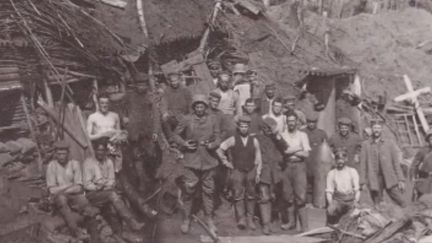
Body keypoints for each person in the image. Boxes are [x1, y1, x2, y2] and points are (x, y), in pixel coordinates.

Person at [172, 94, 221, 235]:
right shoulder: (187, 119)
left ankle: (209, 218)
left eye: (202, 106)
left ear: (206, 107)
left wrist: (212, 145)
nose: (199, 109)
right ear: (194, 107)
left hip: (208, 160)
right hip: (191, 161)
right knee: (188, 191)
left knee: (209, 191)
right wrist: (184, 143)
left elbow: (218, 137)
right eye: (197, 106)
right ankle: (186, 218)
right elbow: (175, 135)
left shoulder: (213, 119)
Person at [83, 139, 145, 233]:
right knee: (112, 195)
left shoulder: (109, 162)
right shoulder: (88, 163)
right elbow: (87, 184)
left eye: (102, 150)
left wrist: (103, 185)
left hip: (106, 192)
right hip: (92, 195)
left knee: (114, 205)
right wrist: (96, 187)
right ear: (95, 150)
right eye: (98, 150)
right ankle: (132, 222)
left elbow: (112, 181)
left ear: (106, 151)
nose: (100, 153)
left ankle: (120, 233)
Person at [217, 116, 262, 231]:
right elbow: (220, 149)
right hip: (238, 171)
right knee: (238, 195)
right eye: (241, 126)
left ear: (249, 127)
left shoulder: (254, 140)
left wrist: (258, 172)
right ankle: (241, 219)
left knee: (251, 195)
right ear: (238, 127)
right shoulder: (233, 139)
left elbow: (258, 157)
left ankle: (250, 219)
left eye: (246, 126)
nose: (244, 129)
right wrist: (226, 162)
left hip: (251, 170)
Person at [46, 141, 98, 239]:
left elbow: (79, 187)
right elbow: (52, 191)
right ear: (55, 154)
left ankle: (96, 238)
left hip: (73, 195)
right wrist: (69, 185)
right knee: (62, 199)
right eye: (59, 154)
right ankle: (76, 231)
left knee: (84, 202)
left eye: (64, 154)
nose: (61, 156)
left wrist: (61, 189)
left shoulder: (74, 164)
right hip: (58, 198)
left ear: (68, 153)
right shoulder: (51, 166)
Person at [359, 119, 407, 207]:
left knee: (402, 202)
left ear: (382, 129)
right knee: (377, 204)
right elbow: (363, 165)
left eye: (378, 128)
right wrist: (362, 182)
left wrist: (401, 179)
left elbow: (396, 163)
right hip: (374, 178)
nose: (376, 130)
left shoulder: (389, 143)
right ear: (371, 129)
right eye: (374, 128)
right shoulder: (366, 145)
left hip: (389, 177)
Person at [278, 112, 311, 232]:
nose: (291, 123)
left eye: (293, 120)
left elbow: (306, 154)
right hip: (286, 166)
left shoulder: (302, 135)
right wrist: (298, 148)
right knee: (288, 196)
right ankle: (291, 223)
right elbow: (283, 152)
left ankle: (304, 226)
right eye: (289, 121)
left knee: (301, 196)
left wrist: (291, 150)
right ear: (286, 122)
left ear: (297, 121)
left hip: (299, 166)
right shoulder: (283, 135)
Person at [255, 117, 286, 235]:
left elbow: (285, 147)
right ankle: (266, 224)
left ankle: (273, 220)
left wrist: (277, 136)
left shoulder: (276, 139)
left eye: (271, 128)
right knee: (264, 197)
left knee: (274, 197)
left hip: (275, 172)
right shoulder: (257, 138)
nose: (269, 130)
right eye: (267, 128)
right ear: (263, 128)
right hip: (263, 171)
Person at [87, 94, 126, 173]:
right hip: (100, 149)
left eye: (106, 103)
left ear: (109, 104)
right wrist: (102, 134)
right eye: (102, 103)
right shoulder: (92, 117)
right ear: (98, 103)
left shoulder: (115, 115)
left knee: (116, 172)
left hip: (114, 148)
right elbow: (88, 137)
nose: (104, 105)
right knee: (103, 172)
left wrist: (119, 137)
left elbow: (119, 132)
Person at [326, 147, 360, 224]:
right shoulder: (331, 173)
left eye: (342, 160)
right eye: (338, 160)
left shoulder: (352, 171)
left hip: (350, 200)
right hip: (338, 200)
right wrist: (331, 204)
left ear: (346, 159)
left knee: (356, 215)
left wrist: (356, 201)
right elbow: (329, 191)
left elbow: (357, 190)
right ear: (335, 161)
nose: (340, 162)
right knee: (331, 211)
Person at [303, 113, 328, 208]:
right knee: (306, 183)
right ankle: (308, 203)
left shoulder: (321, 133)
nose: (311, 124)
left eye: (313, 122)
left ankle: (318, 203)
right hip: (305, 162)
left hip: (317, 163)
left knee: (317, 183)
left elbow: (326, 148)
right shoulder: (302, 132)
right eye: (309, 122)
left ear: (316, 122)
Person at [160, 72, 192, 141]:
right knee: (164, 120)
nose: (174, 83)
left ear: (179, 80)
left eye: (176, 80)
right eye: (172, 81)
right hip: (173, 115)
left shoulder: (185, 90)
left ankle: (188, 141)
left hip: (184, 114)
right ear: (169, 82)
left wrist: (190, 115)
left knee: (188, 123)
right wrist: (164, 112)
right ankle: (171, 139)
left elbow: (190, 103)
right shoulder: (167, 90)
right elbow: (164, 103)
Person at [213, 72, 239, 137]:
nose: (224, 84)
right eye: (222, 82)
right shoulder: (214, 92)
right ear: (219, 82)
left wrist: (235, 119)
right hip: (217, 119)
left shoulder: (234, 94)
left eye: (226, 82)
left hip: (230, 119)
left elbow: (239, 109)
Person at [410, 130, 432, 200]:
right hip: (425, 179)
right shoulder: (423, 151)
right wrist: (413, 177)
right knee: (421, 200)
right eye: (431, 139)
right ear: (428, 140)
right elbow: (414, 165)